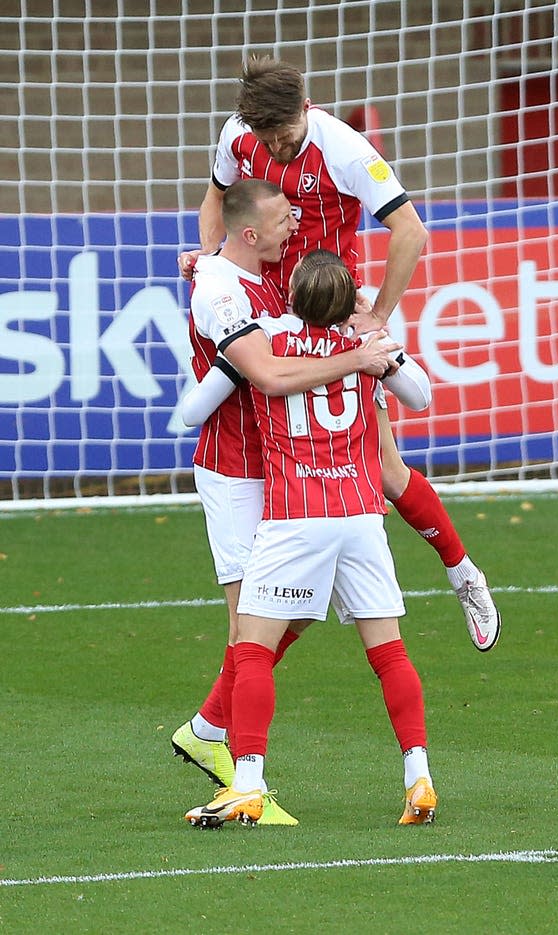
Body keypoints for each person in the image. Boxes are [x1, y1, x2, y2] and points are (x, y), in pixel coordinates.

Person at [177, 54, 501, 657]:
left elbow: (412, 231)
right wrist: (213, 262)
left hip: (328, 310)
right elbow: (215, 202)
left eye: (283, 136)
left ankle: (462, 572)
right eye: (263, 137)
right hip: (266, 306)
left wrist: (375, 318)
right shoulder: (236, 133)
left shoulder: (344, 149)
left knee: (382, 469)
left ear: (305, 110)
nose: (272, 147)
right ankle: (229, 693)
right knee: (256, 433)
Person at [173, 179, 398, 825]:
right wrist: (359, 359)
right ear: (248, 233)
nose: (294, 221)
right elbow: (268, 375)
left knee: (293, 618)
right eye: (281, 215)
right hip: (236, 473)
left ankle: (208, 727)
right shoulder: (219, 290)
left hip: (281, 471)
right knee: (251, 628)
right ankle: (246, 784)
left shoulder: (262, 269)